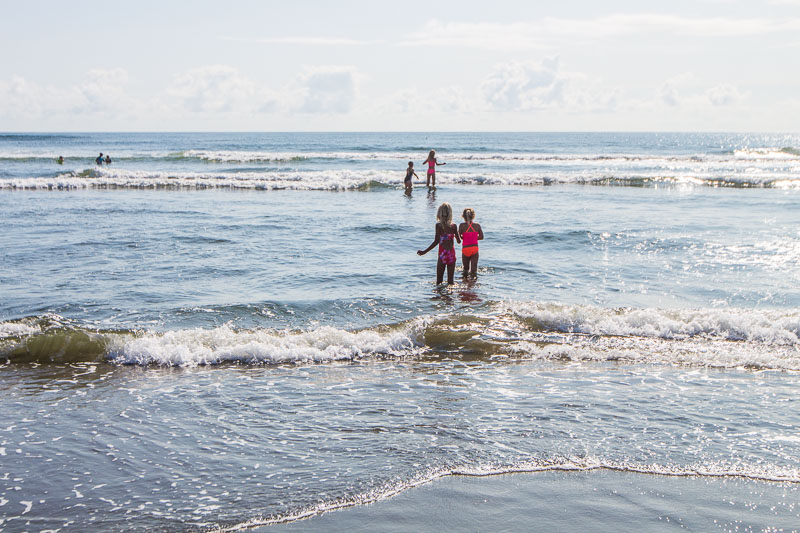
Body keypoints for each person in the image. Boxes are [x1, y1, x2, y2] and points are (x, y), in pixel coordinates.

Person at [418, 202, 461, 285]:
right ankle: (450, 296)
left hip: (442, 255)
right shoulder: (454, 226)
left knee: (439, 282)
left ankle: (439, 297)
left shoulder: (439, 226)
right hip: (451, 255)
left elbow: (436, 241)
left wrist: (424, 252)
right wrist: (456, 235)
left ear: (439, 213)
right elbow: (459, 241)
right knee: (451, 282)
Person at [458, 208, 484, 278]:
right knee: (474, 270)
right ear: (473, 216)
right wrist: (474, 238)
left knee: (465, 269)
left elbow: (459, 236)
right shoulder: (477, 225)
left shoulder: (461, 225)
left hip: (465, 249)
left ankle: (465, 282)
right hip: (474, 249)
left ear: (463, 216)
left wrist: (465, 238)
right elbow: (481, 237)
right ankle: (473, 285)